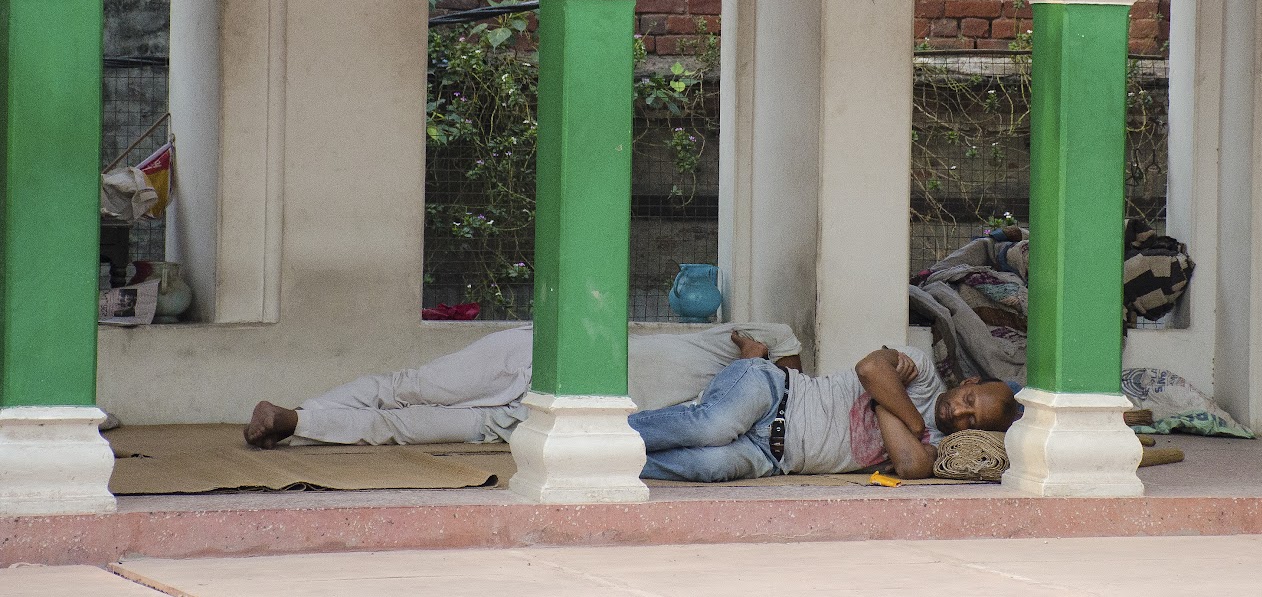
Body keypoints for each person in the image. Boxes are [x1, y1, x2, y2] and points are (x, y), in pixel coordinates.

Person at [244, 322, 802, 448]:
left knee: (404, 428)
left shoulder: (727, 413)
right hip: (536, 352)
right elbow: (784, 354)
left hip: (536, 415)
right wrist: (761, 362)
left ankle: (295, 420)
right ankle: (295, 413)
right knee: (411, 387)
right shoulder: (754, 343)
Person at [629, 339, 1020, 482]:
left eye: (971, 421)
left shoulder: (936, 446)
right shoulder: (919, 370)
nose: (959, 415)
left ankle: (611, 459)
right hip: (773, 391)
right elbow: (869, 369)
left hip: (770, 458)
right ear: (968, 383)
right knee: (712, 426)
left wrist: (887, 401)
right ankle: (597, 435)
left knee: (709, 467)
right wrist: (911, 418)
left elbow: (910, 465)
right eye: (968, 402)